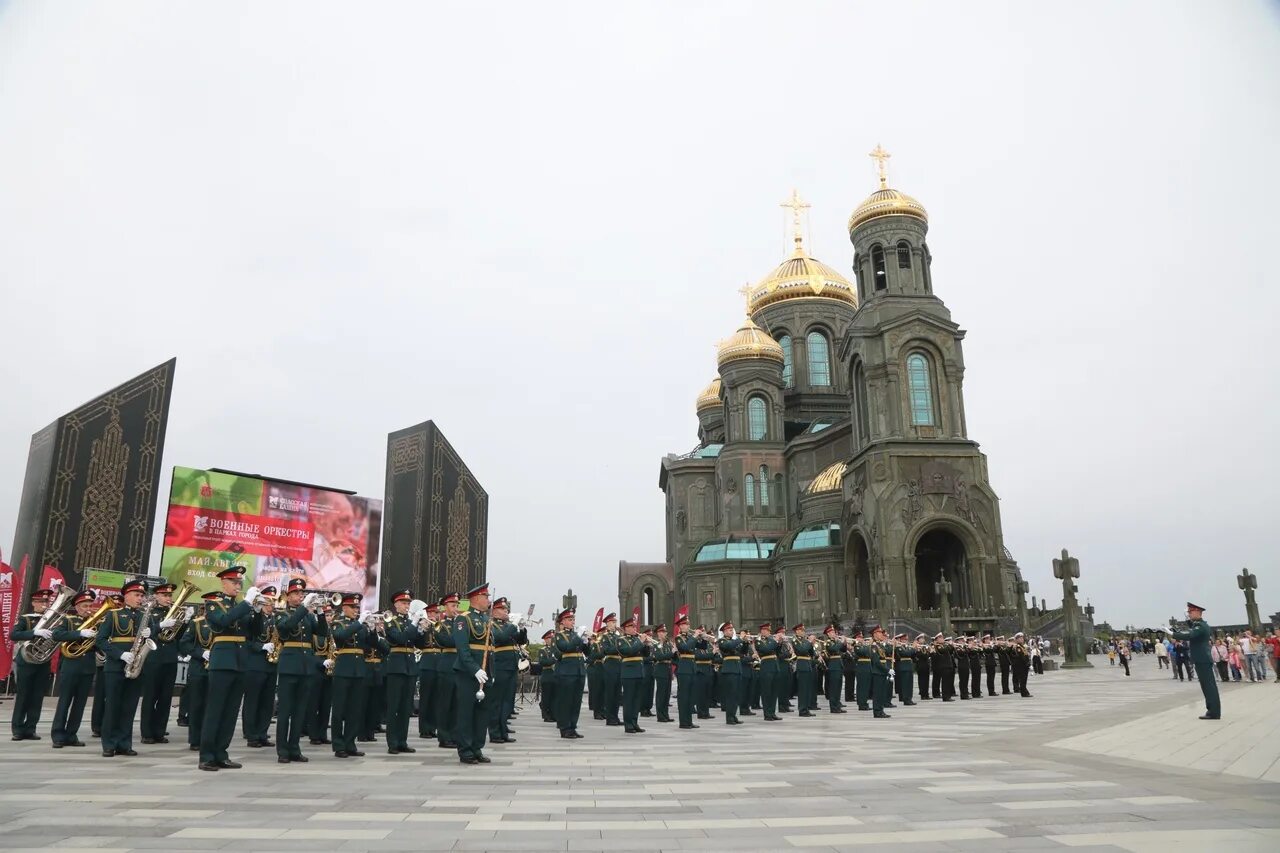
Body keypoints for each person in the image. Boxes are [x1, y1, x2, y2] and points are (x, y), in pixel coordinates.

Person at [198, 566, 260, 770]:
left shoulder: (241, 605)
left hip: (240, 662)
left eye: (240, 583)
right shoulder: (213, 605)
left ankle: (221, 753)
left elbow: (254, 633)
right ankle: (207, 756)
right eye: (234, 582)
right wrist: (248, 603)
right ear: (223, 583)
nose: (237, 586)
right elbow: (223, 622)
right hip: (222, 662)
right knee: (216, 709)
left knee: (231, 711)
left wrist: (257, 612)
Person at [95, 578, 156, 757]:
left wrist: (151, 632)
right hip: (116, 666)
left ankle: (124, 743)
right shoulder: (113, 615)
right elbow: (100, 640)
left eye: (142, 596)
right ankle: (109, 744)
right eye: (137, 595)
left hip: (136, 666)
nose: (140, 599)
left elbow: (154, 639)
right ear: (126, 596)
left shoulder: (145, 616)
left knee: (129, 707)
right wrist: (119, 654)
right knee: (113, 706)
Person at [274, 579, 327, 762]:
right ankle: (282, 750)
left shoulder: (306, 616)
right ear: (288, 597)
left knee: (299, 711)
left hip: (306, 667)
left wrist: (320, 612)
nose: (299, 596)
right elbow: (286, 627)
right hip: (290, 666)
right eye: (296, 593)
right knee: (285, 711)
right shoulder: (281, 613)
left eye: (301, 594)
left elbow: (322, 633)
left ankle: (294, 748)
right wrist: (304, 607)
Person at [49, 590, 101, 748]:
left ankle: (72, 734)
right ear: (77, 607)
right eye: (85, 606)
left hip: (88, 667)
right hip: (70, 666)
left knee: (80, 704)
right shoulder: (68, 620)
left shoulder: (96, 623)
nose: (88, 609)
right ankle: (58, 735)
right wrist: (80, 633)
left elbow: (99, 644)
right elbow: (57, 635)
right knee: (64, 701)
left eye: (90, 605)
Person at [451, 582, 494, 764]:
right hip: (469, 674)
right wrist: (475, 669)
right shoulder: (463, 619)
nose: (488, 600)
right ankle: (465, 749)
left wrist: (490, 672)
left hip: (485, 673)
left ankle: (477, 747)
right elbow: (463, 649)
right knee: (466, 712)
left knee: (482, 713)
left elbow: (490, 649)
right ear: (476, 598)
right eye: (486, 597)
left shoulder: (486, 620)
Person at [9, 587, 56, 740]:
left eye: (46, 601)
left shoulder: (52, 620)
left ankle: (30, 728)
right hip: (26, 661)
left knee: (37, 697)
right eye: (40, 601)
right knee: (23, 696)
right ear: (33, 603)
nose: (44, 604)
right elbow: (14, 635)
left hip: (43, 662)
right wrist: (34, 632)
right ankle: (17, 729)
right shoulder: (26, 618)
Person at [140, 582, 183, 745]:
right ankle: (147, 732)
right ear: (156, 596)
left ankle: (159, 731)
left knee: (165, 698)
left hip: (170, 658)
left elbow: (179, 636)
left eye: (170, 595)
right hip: (153, 658)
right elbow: (144, 631)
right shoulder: (149, 612)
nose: (168, 598)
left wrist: (185, 621)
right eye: (165, 595)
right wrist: (160, 625)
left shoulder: (173, 613)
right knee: (150, 696)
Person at [329, 592, 370, 758]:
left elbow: (369, 644)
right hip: (343, 669)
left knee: (355, 709)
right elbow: (340, 637)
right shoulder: (337, 622)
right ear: (344, 607)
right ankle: (338, 745)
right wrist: (359, 623)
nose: (355, 610)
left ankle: (350, 743)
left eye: (357, 607)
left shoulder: (360, 625)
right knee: (339, 709)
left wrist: (372, 630)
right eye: (353, 607)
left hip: (358, 669)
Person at [1167, 602, 1220, 720]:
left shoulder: (1201, 626)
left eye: (1191, 612)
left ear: (1198, 612)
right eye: (1188, 612)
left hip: (1202, 659)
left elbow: (1190, 634)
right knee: (1206, 685)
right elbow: (1192, 627)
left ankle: (1214, 711)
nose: (1189, 614)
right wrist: (1187, 619)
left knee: (1208, 686)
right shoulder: (1199, 625)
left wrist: (1173, 633)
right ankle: (1212, 710)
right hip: (1201, 658)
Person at [242, 585, 278, 749]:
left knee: (267, 702)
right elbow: (246, 640)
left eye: (273, 602)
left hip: (271, 664)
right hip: (255, 663)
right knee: (253, 700)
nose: (271, 606)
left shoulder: (275, 619)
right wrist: (261, 647)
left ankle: (262, 733)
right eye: (268, 602)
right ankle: (251, 735)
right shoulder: (252, 616)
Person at [383, 589, 419, 754]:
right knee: (394, 706)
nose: (407, 606)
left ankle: (402, 741)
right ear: (396, 605)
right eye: (404, 603)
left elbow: (420, 643)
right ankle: (392, 742)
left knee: (406, 707)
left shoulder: (410, 622)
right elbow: (400, 638)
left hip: (410, 666)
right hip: (396, 666)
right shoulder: (391, 621)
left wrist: (422, 630)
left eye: (408, 603)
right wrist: (414, 625)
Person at [486, 596, 525, 745]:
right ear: (494, 611)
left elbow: (521, 640)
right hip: (499, 665)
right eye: (502, 609)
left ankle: (503, 731)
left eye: (506, 609)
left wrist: (521, 628)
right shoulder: (491, 625)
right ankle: (495, 733)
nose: (506, 611)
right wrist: (512, 625)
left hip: (511, 666)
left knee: (507, 701)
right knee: (497, 701)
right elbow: (500, 637)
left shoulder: (508, 625)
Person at [553, 608, 586, 738]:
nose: (573, 622)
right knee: (565, 701)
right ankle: (565, 728)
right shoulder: (559, 636)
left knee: (576, 702)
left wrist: (586, 642)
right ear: (563, 621)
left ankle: (572, 726)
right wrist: (578, 637)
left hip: (579, 671)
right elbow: (565, 648)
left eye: (573, 619)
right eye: (570, 620)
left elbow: (586, 652)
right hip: (566, 672)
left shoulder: (575, 636)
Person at [433, 593, 460, 750]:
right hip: (446, 665)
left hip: (458, 665)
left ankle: (455, 735)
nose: (455, 608)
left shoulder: (460, 623)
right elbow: (447, 641)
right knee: (445, 703)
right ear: (445, 607)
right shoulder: (440, 625)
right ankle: (444, 736)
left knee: (457, 703)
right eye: (452, 605)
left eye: (456, 605)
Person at [414, 601, 442, 738]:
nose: (436, 615)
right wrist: (421, 630)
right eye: (434, 613)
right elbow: (418, 644)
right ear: (429, 613)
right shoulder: (423, 625)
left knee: (437, 698)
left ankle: (433, 727)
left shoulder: (440, 626)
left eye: (437, 613)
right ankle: (424, 728)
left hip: (439, 664)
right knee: (426, 698)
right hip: (427, 663)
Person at [618, 616, 648, 732]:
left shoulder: (637, 640)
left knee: (637, 700)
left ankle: (635, 722)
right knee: (629, 699)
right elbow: (629, 651)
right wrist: (640, 642)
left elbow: (645, 654)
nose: (633, 628)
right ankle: (628, 724)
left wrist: (646, 644)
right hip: (628, 673)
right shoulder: (621, 640)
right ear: (625, 628)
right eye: (630, 626)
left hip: (639, 672)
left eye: (633, 626)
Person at [673, 616, 698, 729]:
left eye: (687, 624)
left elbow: (701, 646)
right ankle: (683, 722)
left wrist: (701, 637)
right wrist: (695, 636)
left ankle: (689, 721)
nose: (685, 626)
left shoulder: (690, 637)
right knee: (684, 696)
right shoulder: (678, 638)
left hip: (692, 667)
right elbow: (685, 647)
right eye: (683, 625)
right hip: (684, 668)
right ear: (680, 627)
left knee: (691, 696)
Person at [651, 623, 674, 723]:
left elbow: (672, 658)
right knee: (661, 694)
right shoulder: (656, 645)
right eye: (661, 632)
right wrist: (672, 652)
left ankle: (666, 714)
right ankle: (660, 715)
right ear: (657, 634)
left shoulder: (669, 644)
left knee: (667, 694)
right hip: (660, 669)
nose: (663, 634)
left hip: (668, 669)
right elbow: (660, 657)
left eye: (664, 632)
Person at [791, 624, 816, 716]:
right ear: (797, 631)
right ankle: (802, 709)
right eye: (801, 630)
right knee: (802, 689)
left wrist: (812, 644)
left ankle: (806, 708)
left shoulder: (805, 641)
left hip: (808, 665)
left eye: (803, 630)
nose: (803, 632)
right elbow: (801, 650)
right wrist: (809, 643)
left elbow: (811, 653)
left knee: (807, 689)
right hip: (801, 664)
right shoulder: (795, 640)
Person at [536, 630, 558, 722]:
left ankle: (553, 714)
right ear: (546, 640)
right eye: (550, 638)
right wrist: (554, 659)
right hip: (547, 675)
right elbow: (543, 662)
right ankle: (546, 715)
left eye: (553, 638)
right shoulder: (543, 650)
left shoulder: (556, 649)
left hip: (555, 676)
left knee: (554, 697)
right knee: (546, 697)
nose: (552, 640)